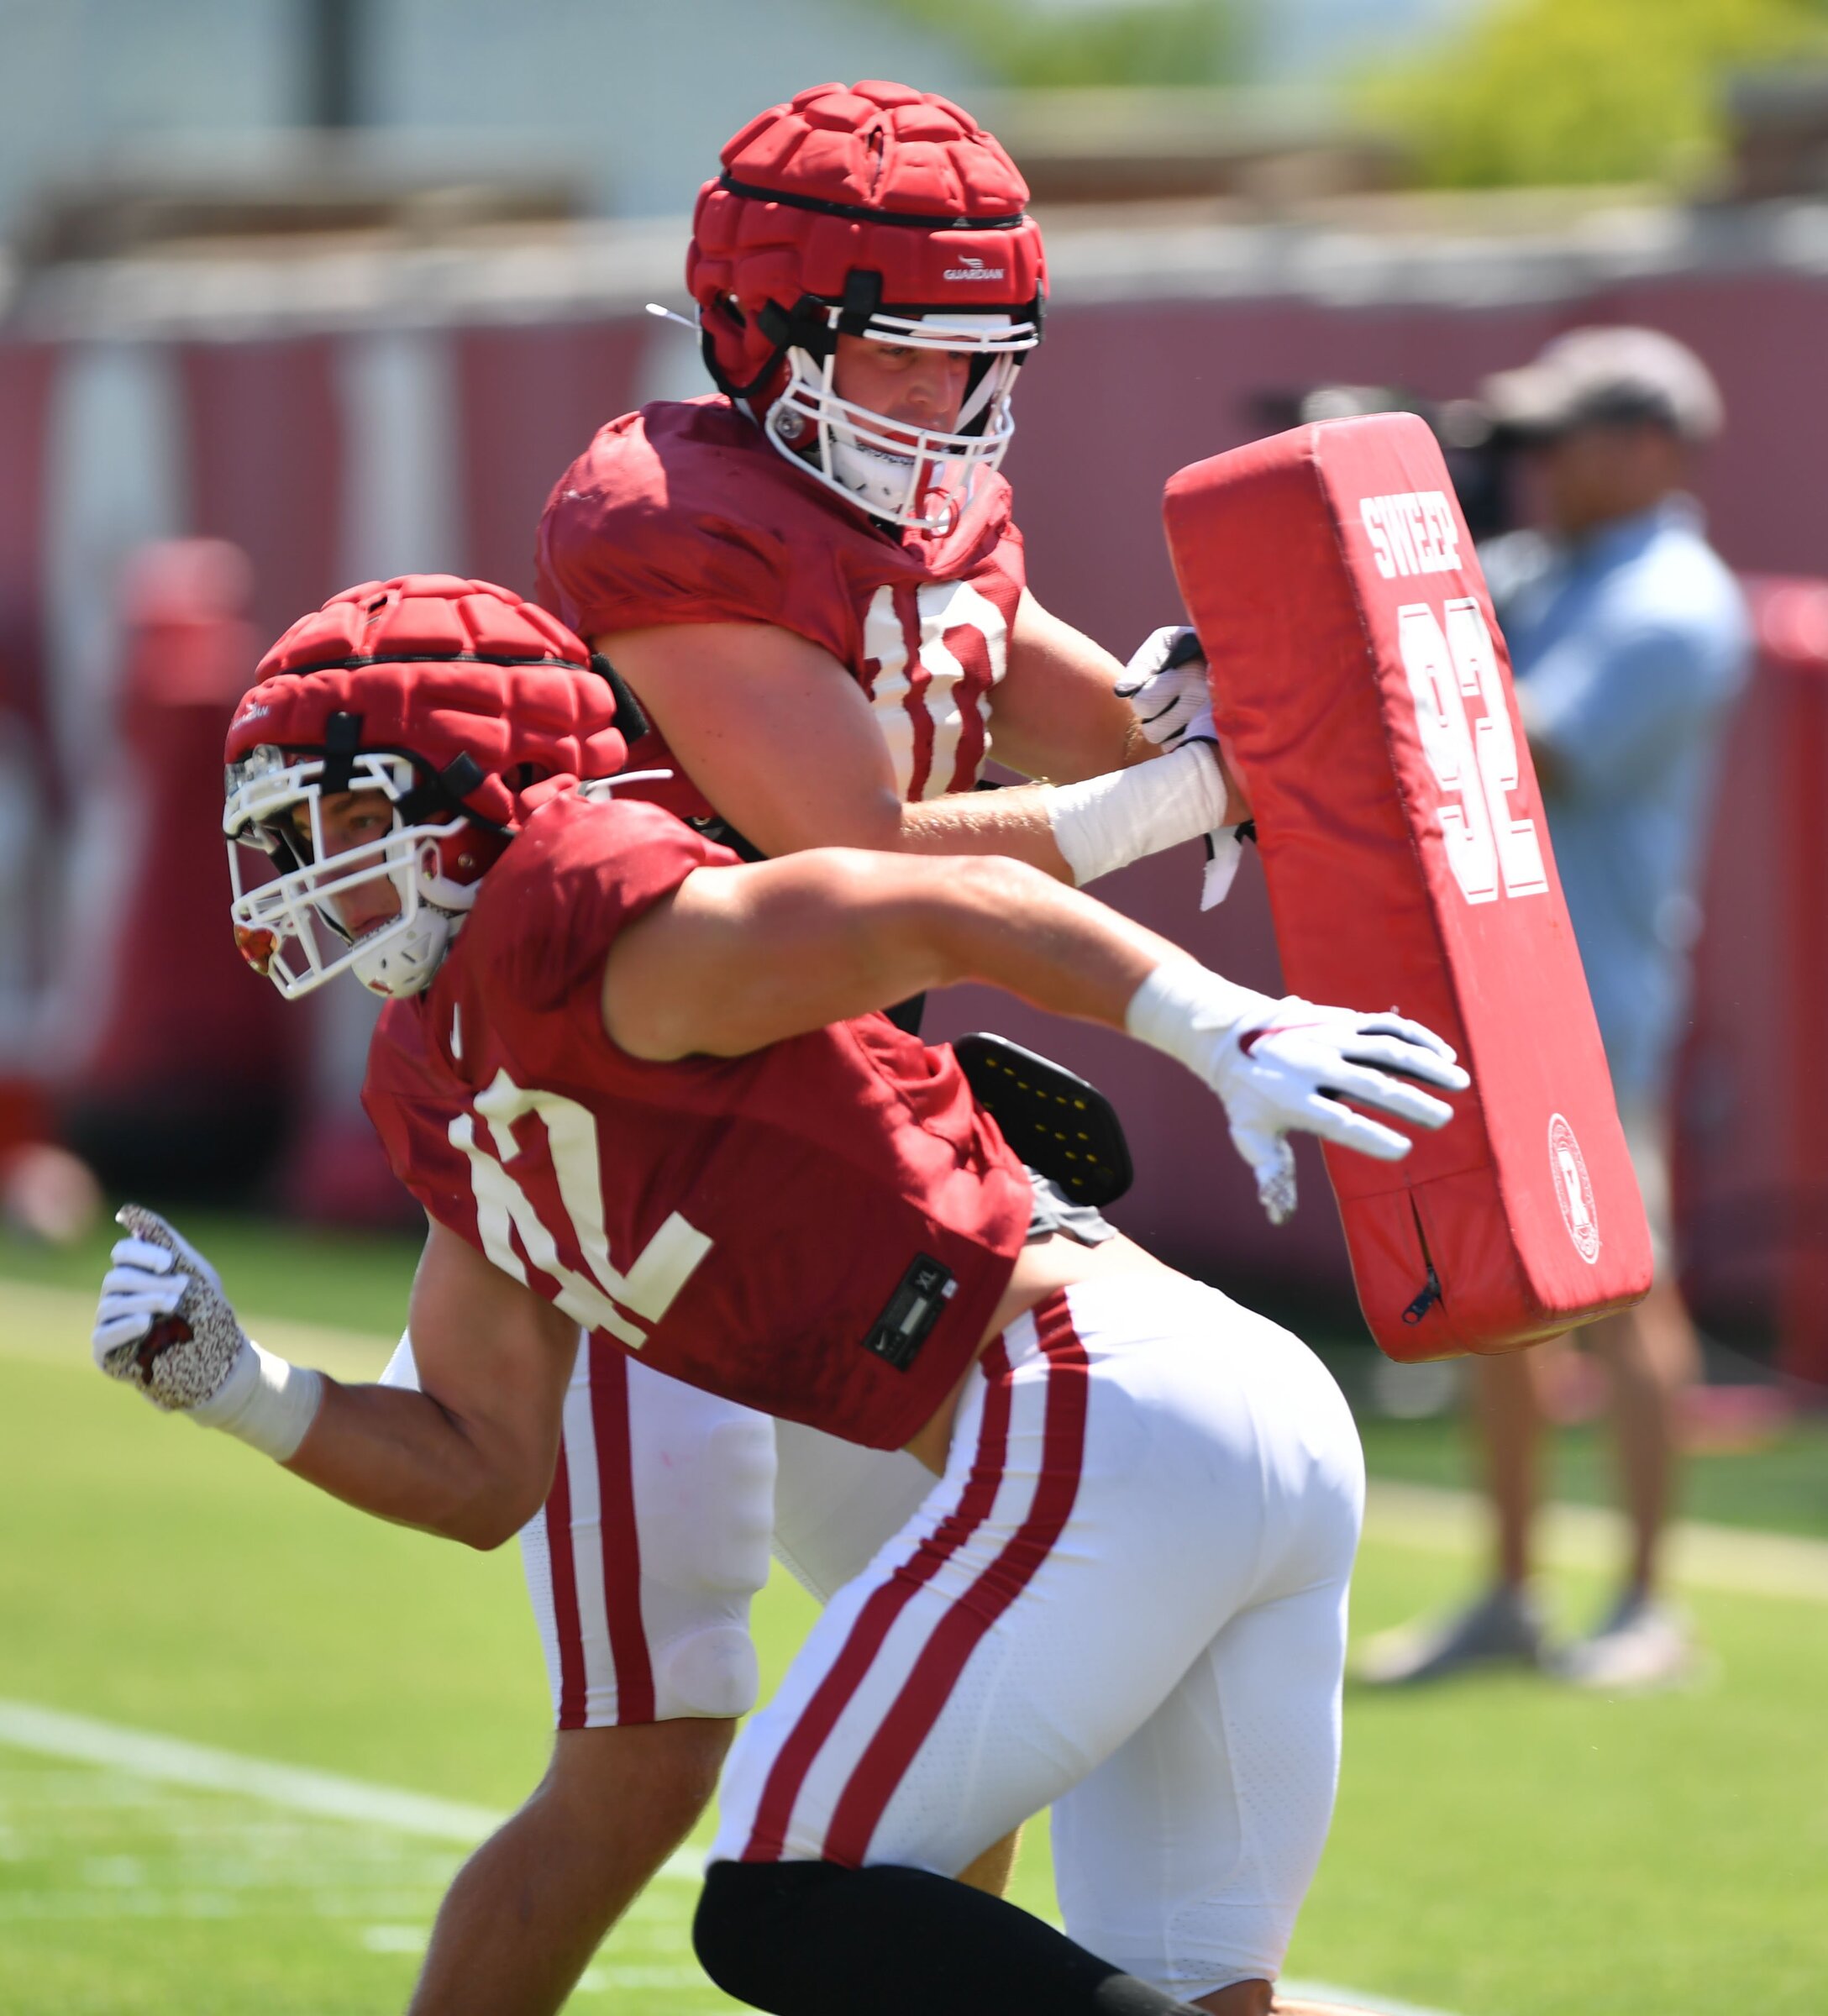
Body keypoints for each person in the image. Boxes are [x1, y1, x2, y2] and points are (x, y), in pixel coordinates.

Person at [94, 578, 1469, 2014]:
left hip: (1098, 1410)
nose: (293, 865)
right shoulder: (449, 1062)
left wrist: (1218, 1025)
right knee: (1183, 1993)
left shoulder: (589, 923)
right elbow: (485, 1464)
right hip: (1227, 1425)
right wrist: (245, 1392)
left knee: (783, 1905)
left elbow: (954, 896)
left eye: (341, 818)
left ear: (475, 790)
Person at [346, 81, 1241, 2015]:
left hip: (859, 1150)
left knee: (952, 1699)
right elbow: (860, 842)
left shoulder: (931, 498)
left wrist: (1211, 706)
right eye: (900, 361)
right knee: (642, 1759)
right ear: (758, 332)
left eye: (971, 365)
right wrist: (1182, 797)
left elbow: (1047, 695)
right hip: (645, 1166)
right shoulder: (669, 518)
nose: (939, 410)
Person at [1359, 327, 1749, 1692]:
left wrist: (1421, 595)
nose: (1536, 465)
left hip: (1594, 1001)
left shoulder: (1674, 599)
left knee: (1626, 1294)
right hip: (1490, 993)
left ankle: (1646, 1604)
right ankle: (1511, 1593)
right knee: (1493, 1297)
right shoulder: (1551, 569)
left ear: (1650, 448)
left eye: (1561, 437)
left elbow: (1531, 750)